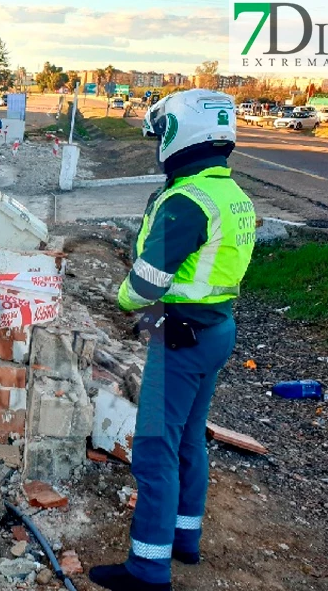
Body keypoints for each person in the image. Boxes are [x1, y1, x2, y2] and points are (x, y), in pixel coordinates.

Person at [88, 89, 257, 591]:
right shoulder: (232, 194)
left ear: (182, 134)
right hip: (217, 329)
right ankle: (186, 539)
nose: (158, 143)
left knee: (155, 450)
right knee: (189, 439)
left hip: (181, 336)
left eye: (162, 133)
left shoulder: (187, 201)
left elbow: (144, 285)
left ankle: (147, 568)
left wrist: (119, 298)